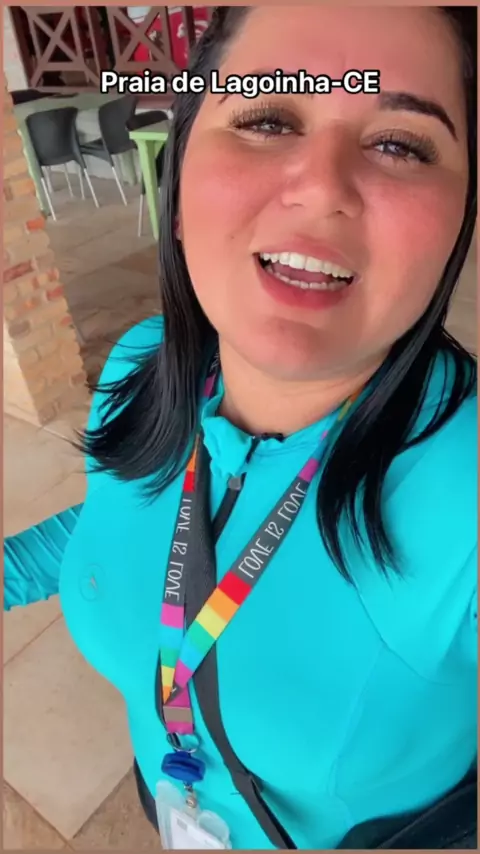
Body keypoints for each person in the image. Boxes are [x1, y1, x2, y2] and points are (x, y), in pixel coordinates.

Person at [4, 5, 477, 850]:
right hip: (174, 801)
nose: (321, 187)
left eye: (400, 144)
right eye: (267, 119)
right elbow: (127, 512)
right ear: (179, 181)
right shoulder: (143, 363)